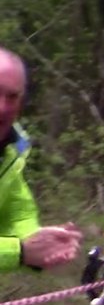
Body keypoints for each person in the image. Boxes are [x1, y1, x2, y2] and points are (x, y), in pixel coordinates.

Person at [0, 48, 82, 272]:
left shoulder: (12, 148)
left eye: (12, 97)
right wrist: (20, 251)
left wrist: (39, 242)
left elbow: (17, 208)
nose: (2, 107)